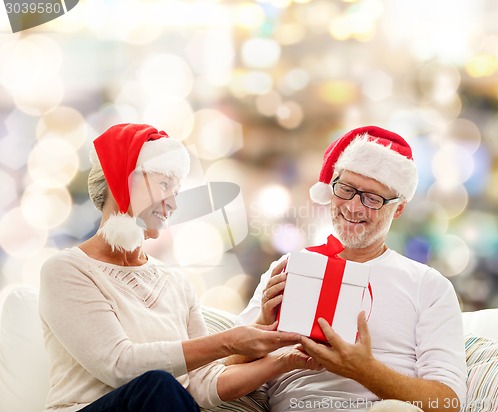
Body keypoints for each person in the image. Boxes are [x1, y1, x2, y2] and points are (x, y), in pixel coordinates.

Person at [39, 123, 320, 412]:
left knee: (165, 390)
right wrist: (228, 342)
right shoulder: (67, 270)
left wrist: (287, 359)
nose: (173, 204)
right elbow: (120, 366)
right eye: (164, 186)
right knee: (158, 386)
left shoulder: (174, 281)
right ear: (123, 181)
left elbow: (202, 385)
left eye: (177, 191)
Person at [236, 125, 467, 412]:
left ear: (398, 208)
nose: (353, 207)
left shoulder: (428, 285)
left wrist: (364, 370)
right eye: (345, 189)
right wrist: (262, 323)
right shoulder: (287, 268)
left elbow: (448, 403)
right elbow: (222, 372)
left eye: (372, 198)